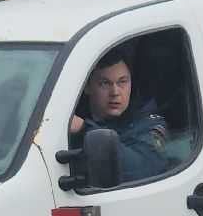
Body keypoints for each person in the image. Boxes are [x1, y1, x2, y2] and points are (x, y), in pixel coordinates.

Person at [69, 45, 172, 181]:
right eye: (105, 83)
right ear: (87, 87)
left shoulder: (149, 124)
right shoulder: (68, 119)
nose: (115, 92)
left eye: (122, 82)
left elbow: (144, 170)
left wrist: (84, 130)